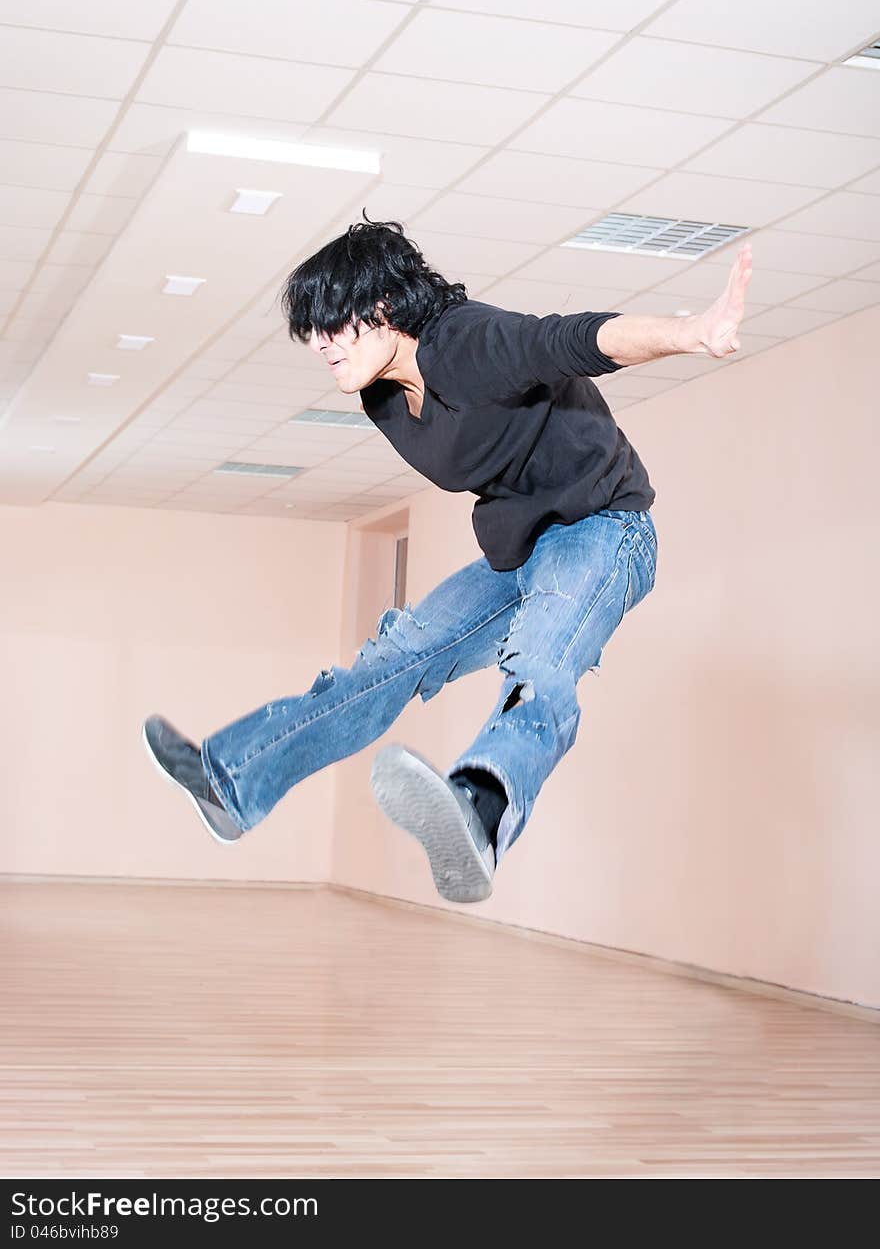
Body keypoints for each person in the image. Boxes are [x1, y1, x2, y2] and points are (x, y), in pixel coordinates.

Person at [143, 215, 752, 903]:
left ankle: (482, 809)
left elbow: (570, 338)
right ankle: (235, 782)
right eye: (309, 331)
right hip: (518, 555)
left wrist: (690, 332)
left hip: (606, 530)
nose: (319, 343)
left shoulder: (465, 342)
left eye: (330, 323)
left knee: (543, 658)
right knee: (391, 658)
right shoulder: (382, 399)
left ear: (382, 307)